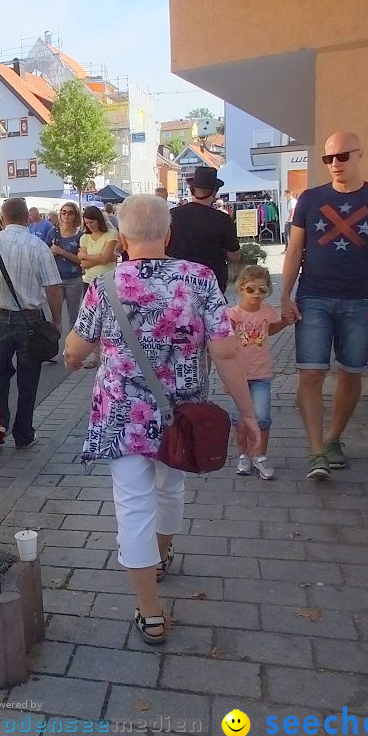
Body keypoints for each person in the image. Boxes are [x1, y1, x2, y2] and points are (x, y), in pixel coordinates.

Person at [62, 194, 260, 646]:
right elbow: (226, 351)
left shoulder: (105, 285)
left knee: (133, 506)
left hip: (123, 418)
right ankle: (164, 554)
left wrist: (72, 359)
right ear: (169, 234)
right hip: (182, 415)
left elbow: (76, 350)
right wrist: (247, 415)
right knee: (171, 486)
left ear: (122, 240)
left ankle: (150, 613)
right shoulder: (200, 279)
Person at [280, 131, 368, 480]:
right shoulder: (310, 199)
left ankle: (334, 440)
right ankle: (316, 450)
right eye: (329, 158)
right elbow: (294, 250)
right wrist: (284, 296)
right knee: (311, 373)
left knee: (351, 373)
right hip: (314, 296)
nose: (336, 164)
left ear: (359, 155)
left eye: (343, 156)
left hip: (360, 298)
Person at [0, 197, 63, 450]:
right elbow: (53, 289)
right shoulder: (37, 245)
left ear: (2, 218)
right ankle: (24, 433)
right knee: (28, 377)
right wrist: (56, 320)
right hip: (30, 319)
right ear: (27, 218)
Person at [228, 265, 289, 480]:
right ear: (241, 289)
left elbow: (270, 330)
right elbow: (224, 339)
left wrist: (284, 322)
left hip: (262, 373)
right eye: (251, 289)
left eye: (262, 290)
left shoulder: (268, 312)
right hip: (239, 375)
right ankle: (243, 454)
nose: (256, 294)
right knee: (241, 417)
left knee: (262, 416)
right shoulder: (234, 314)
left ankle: (260, 455)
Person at [167, 166, 241, 294]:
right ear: (214, 192)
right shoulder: (222, 219)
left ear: (191, 190)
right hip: (212, 282)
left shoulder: (171, 215)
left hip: (178, 280)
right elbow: (234, 256)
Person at [48, 202, 86, 332]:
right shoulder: (53, 232)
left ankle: (72, 347)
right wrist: (50, 253)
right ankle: (52, 344)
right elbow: (44, 253)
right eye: (63, 212)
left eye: (70, 213)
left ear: (76, 215)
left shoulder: (80, 235)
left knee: (73, 315)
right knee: (55, 315)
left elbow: (81, 260)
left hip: (74, 280)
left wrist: (62, 252)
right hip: (55, 279)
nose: (66, 215)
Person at [79, 206, 120, 289]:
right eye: (87, 223)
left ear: (99, 221)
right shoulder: (84, 237)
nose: (89, 225)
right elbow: (83, 264)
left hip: (107, 280)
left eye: (92, 222)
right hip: (89, 280)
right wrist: (104, 258)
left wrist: (85, 256)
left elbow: (104, 259)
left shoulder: (111, 234)